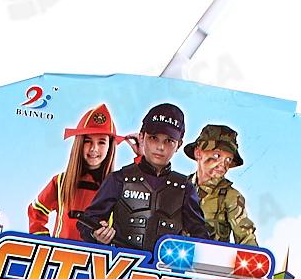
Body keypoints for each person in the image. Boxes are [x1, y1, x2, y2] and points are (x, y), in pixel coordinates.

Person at [76, 102, 208, 253]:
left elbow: (200, 235)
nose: (160, 147)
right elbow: (87, 222)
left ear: (179, 145)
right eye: (153, 138)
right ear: (141, 137)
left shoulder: (185, 188)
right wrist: (96, 233)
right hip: (122, 264)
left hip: (166, 266)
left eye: (169, 141)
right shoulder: (118, 179)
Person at [27, 104, 119, 242]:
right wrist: (43, 242)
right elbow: (36, 210)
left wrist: (141, 156)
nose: (94, 149)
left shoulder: (116, 187)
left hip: (96, 255)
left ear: (110, 146)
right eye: (88, 141)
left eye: (101, 142)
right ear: (79, 143)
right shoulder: (60, 182)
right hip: (60, 253)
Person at [185, 123, 257, 244]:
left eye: (228, 159)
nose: (222, 164)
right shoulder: (180, 187)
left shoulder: (231, 197)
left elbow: (246, 239)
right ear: (198, 153)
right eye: (216, 155)